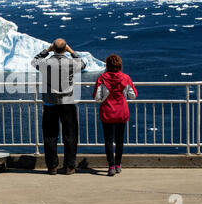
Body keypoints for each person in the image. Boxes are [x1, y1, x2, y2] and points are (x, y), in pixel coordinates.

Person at [31, 38, 86, 175]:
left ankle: (52, 167)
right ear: (65, 48)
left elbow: (34, 61)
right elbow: (83, 64)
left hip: (50, 104)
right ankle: (70, 167)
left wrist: (46, 51)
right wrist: (71, 51)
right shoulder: (71, 63)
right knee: (70, 135)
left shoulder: (46, 63)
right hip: (68, 103)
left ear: (53, 48)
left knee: (50, 135)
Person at [93, 54, 137, 176]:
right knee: (119, 140)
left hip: (107, 112)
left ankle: (111, 166)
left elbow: (97, 97)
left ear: (107, 65)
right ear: (119, 65)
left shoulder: (102, 78)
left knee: (108, 140)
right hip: (121, 112)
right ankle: (118, 164)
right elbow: (133, 95)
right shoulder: (126, 78)